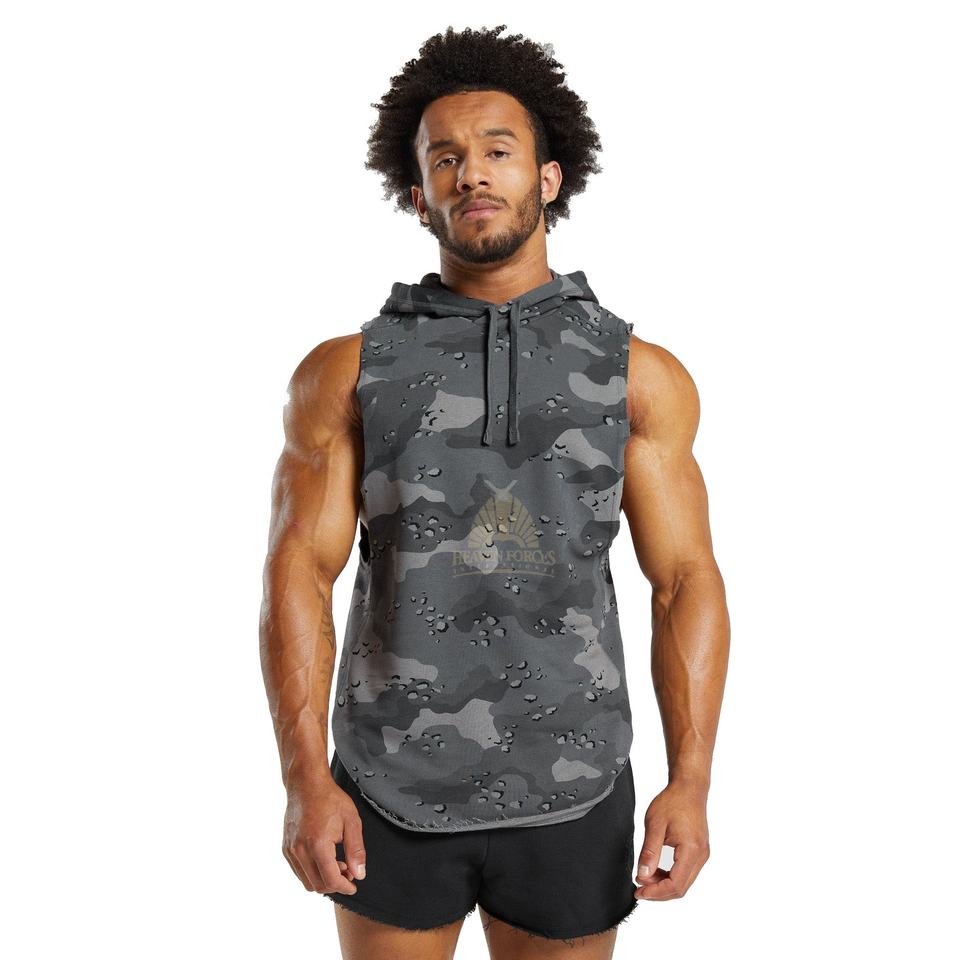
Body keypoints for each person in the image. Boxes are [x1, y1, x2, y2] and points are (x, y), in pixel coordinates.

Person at [260, 24, 730, 960]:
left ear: (549, 178)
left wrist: (692, 782)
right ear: (417, 195)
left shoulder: (637, 373)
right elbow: (298, 575)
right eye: (445, 158)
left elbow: (684, 580)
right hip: (387, 785)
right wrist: (305, 778)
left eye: (498, 151)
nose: (471, 173)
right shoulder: (348, 370)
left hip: (578, 782)